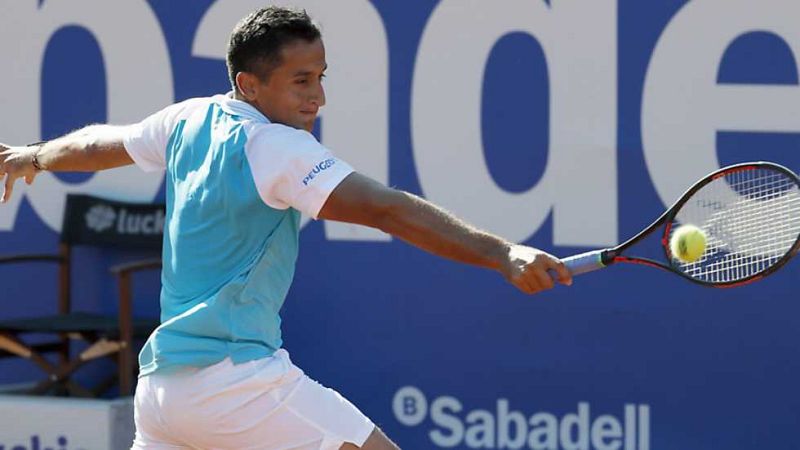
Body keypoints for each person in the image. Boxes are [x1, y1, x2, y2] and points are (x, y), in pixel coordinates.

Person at [0, 6, 572, 450]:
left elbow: (101, 144)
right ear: (250, 85)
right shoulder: (276, 148)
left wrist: (34, 155)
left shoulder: (187, 119)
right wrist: (502, 254)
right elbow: (388, 210)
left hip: (163, 394)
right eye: (301, 80)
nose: (317, 97)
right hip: (235, 385)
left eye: (321, 77)